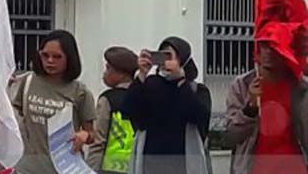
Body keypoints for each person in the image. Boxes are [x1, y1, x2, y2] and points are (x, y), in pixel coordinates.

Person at [11, 29, 96, 174]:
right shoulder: (27, 82)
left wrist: (84, 136)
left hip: (64, 167)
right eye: (45, 55)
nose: (50, 61)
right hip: (27, 167)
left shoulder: (80, 92)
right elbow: (16, 117)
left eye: (57, 57)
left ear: (69, 58)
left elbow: (91, 134)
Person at [122, 37, 211, 174]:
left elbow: (200, 117)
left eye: (169, 56)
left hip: (183, 163)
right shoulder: (150, 84)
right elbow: (128, 110)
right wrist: (141, 75)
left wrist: (181, 81)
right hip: (150, 161)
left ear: (182, 60)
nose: (165, 61)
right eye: (162, 55)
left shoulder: (196, 90)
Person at [224, 35, 308, 174]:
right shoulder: (242, 85)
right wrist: (250, 107)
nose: (268, 51)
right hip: (254, 168)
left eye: (275, 45)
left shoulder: (301, 87)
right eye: (264, 45)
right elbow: (231, 137)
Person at [87, 46, 139, 174]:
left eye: (108, 68)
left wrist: (90, 170)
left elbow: (98, 142)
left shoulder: (108, 99)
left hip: (111, 168)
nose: (105, 73)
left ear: (121, 73)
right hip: (137, 166)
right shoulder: (144, 96)